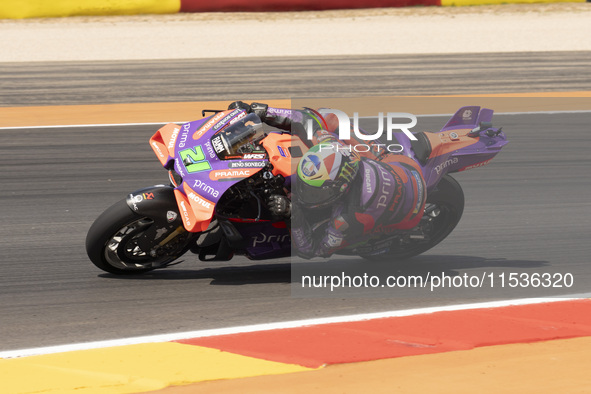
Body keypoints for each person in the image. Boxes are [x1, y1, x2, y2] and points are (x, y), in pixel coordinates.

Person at [227, 101, 427, 259]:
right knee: (328, 115)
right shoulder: (331, 145)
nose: (304, 192)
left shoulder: (348, 218)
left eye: (314, 192)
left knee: (329, 230)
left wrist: (292, 213)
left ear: (341, 189)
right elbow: (307, 120)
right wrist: (263, 112)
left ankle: (377, 241)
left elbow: (313, 250)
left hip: (409, 210)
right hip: (394, 165)